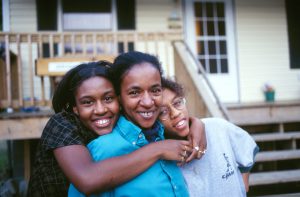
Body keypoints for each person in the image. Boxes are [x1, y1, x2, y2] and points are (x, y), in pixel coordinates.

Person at [28, 60, 205, 197]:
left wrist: (195, 123)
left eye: (108, 98)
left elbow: (159, 117)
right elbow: (87, 179)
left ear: (119, 100)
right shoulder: (62, 124)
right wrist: (157, 150)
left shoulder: (120, 121)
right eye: (88, 102)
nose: (100, 110)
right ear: (75, 108)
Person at [158, 77, 259, 197]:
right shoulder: (165, 154)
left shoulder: (217, 127)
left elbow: (246, 148)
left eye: (177, 103)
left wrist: (242, 188)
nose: (175, 113)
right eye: (163, 112)